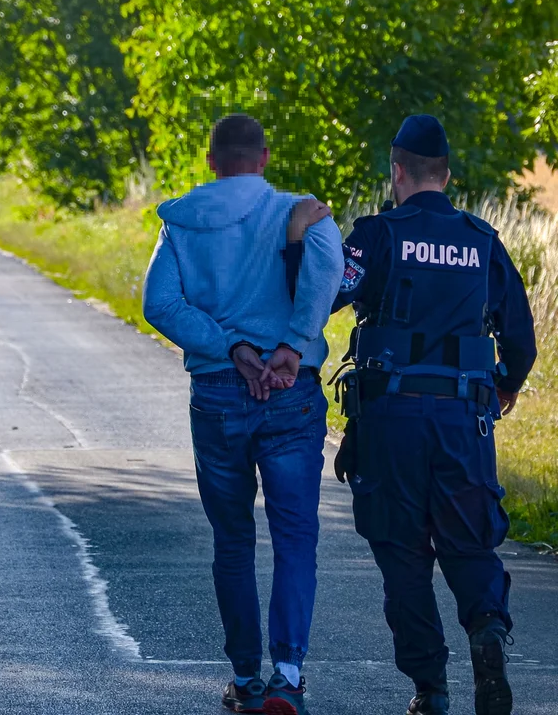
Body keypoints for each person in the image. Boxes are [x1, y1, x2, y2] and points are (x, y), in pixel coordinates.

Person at [289, 114, 537, 715]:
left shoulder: (378, 235)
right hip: (463, 421)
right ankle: (486, 631)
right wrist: (503, 386)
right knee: (470, 541)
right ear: (446, 176)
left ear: (396, 172)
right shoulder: (483, 241)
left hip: (390, 421)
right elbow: (522, 340)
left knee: (402, 553)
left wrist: (299, 242)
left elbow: (324, 291)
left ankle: (431, 688)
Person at [142, 113, 344, 715]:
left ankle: (246, 680)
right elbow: (327, 268)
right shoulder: (299, 211)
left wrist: (229, 345)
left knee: (232, 541)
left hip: (219, 395)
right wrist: (291, 343)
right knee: (295, 536)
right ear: (264, 157)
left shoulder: (180, 221)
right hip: (292, 390)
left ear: (211, 161)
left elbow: (160, 303)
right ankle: (287, 674)